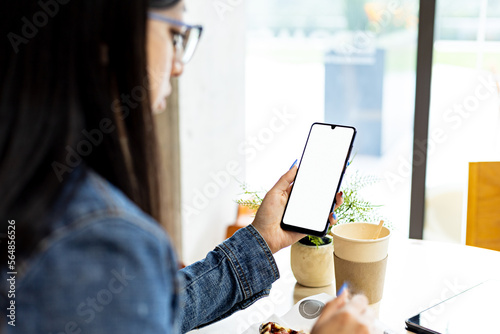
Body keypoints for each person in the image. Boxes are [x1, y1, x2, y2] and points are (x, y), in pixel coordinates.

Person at [0, 0, 376, 333]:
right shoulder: (104, 239)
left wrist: (263, 240)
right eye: (175, 35)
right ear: (105, 39)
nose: (178, 66)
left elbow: (158, 309)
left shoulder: (30, 189)